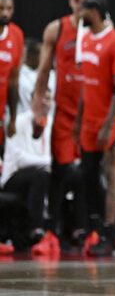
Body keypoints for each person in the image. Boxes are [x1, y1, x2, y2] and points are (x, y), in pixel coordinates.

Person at [31, 0, 90, 250]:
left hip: (92, 111)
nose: (81, 6)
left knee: (90, 172)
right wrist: (38, 109)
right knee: (59, 171)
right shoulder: (57, 28)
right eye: (77, 0)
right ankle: (51, 231)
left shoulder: (100, 31)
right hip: (64, 113)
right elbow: (43, 71)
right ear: (70, 2)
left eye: (86, 1)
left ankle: (87, 230)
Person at [75, 0, 115, 256]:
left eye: (83, 10)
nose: (78, 14)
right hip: (89, 118)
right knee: (87, 173)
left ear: (95, 11)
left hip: (113, 118)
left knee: (112, 172)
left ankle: (109, 231)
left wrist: (109, 125)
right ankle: (97, 225)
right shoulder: (85, 39)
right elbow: (86, 85)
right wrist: (78, 120)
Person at [1, 89, 55, 253]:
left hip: (41, 174)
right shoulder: (18, 122)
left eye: (48, 98)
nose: (45, 102)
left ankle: (70, 232)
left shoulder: (52, 122)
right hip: (13, 177)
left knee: (72, 176)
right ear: (32, 101)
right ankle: (36, 230)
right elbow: (20, 159)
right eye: (41, 98)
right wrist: (48, 162)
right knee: (41, 176)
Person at [0, 0, 23, 152]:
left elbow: (13, 80)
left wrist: (13, 119)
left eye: (9, 9)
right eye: (1, 9)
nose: (6, 13)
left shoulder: (16, 34)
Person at [18, 38, 54, 114]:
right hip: (22, 118)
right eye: (41, 53)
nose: (45, 57)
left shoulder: (53, 75)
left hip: (49, 119)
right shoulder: (20, 76)